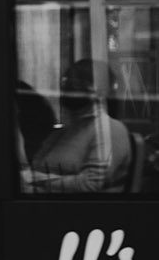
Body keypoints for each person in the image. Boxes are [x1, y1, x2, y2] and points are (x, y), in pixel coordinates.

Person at [25, 58, 134, 194]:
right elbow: (35, 167)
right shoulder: (64, 131)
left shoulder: (110, 129)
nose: (71, 88)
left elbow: (91, 184)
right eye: (67, 82)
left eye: (80, 83)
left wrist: (39, 181)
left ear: (101, 91)